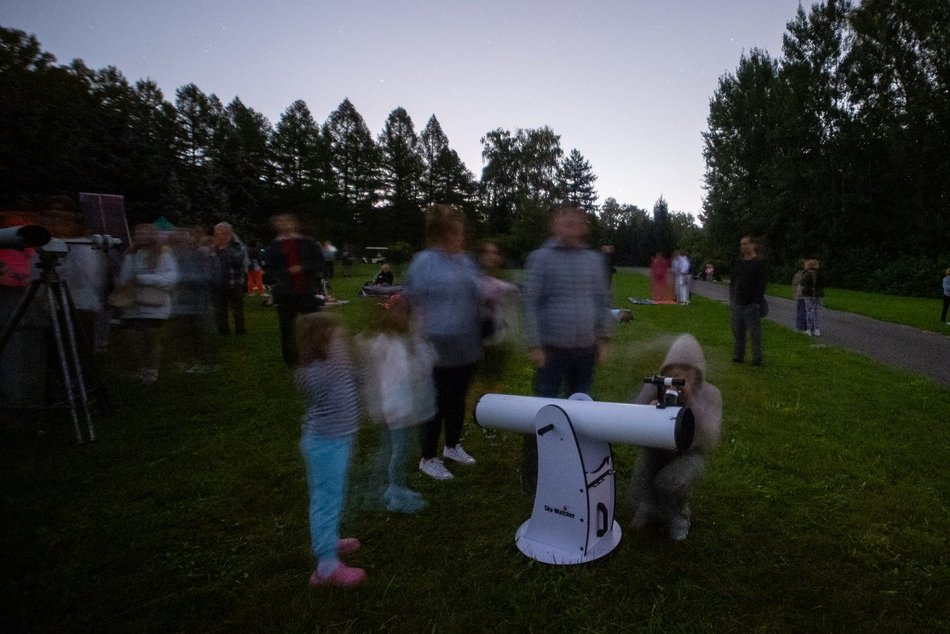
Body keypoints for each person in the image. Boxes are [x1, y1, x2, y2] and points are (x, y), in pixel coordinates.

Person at [521, 202, 613, 494]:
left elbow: (602, 300)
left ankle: (577, 471)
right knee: (544, 412)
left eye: (578, 221)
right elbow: (530, 303)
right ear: (556, 224)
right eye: (567, 220)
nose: (573, 225)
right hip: (552, 350)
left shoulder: (593, 260)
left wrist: (603, 338)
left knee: (581, 410)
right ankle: (533, 476)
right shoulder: (541, 258)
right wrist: (535, 343)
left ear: (584, 225)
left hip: (585, 350)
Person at [405, 204, 482, 481]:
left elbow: (476, 292)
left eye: (460, 234)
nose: (458, 240)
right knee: (434, 403)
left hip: (465, 344)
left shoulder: (465, 261)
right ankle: (428, 457)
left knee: (456, 400)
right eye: (452, 234)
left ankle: (452, 446)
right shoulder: (424, 262)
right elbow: (414, 303)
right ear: (439, 235)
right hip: (435, 344)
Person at [294, 312, 365, 588]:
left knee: (332, 496)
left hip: (338, 438)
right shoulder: (318, 370)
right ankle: (326, 567)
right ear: (322, 341)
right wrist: (349, 356)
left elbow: (358, 380)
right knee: (325, 500)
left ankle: (328, 540)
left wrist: (356, 359)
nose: (343, 340)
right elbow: (312, 382)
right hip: (325, 443)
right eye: (338, 337)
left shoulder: (338, 363)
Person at [629, 334, 722, 541]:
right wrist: (648, 408)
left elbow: (711, 435)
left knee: (669, 483)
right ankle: (648, 508)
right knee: (642, 480)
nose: (678, 373)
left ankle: (678, 516)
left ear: (698, 372)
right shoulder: (655, 386)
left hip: (690, 453)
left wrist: (691, 401)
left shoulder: (711, 394)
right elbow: (632, 417)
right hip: (657, 448)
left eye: (687, 369)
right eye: (673, 368)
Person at [360, 294, 435, 513]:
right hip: (395, 409)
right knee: (396, 452)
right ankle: (393, 492)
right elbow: (380, 379)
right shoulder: (383, 344)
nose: (404, 317)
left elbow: (425, 365)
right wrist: (385, 408)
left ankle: (395, 487)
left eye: (406, 313)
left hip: (407, 408)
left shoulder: (408, 341)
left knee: (398, 450)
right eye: (399, 312)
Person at [115, 223, 178, 384]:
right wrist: (122, 285)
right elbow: (124, 276)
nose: (140, 236)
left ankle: (152, 370)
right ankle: (141, 367)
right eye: (137, 233)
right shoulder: (131, 254)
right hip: (132, 302)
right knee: (130, 338)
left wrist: (144, 279)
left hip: (153, 303)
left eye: (144, 233)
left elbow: (171, 278)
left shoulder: (163, 254)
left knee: (151, 337)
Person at [264, 214, 325, 366]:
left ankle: (317, 355)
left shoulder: (307, 243)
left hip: (306, 291)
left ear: (295, 223)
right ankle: (291, 360)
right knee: (287, 328)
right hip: (285, 293)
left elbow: (319, 262)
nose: (285, 225)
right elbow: (270, 270)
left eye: (288, 221)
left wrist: (302, 268)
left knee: (314, 324)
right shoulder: (273, 247)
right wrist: (284, 273)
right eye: (281, 222)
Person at [476, 240, 520, 438]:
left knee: (493, 382)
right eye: (487, 252)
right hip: (476, 339)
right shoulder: (473, 279)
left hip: (498, 339)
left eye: (495, 253)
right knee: (475, 383)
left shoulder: (504, 281)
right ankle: (472, 419)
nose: (491, 257)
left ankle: (490, 422)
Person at [167, 228, 214, 373]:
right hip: (179, 303)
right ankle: (187, 360)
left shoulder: (198, 255)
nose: (182, 241)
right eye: (179, 238)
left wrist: (179, 279)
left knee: (197, 333)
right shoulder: (170, 255)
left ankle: (201, 361)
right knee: (182, 334)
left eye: (184, 238)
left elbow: (206, 276)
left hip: (196, 301)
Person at [729, 235, 768, 366]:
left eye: (745, 244)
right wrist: (732, 298)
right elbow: (733, 281)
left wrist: (756, 302)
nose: (742, 247)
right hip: (737, 303)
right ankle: (738, 355)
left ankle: (757, 358)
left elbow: (762, 284)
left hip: (751, 304)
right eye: (741, 244)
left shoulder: (759, 263)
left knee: (754, 333)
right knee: (738, 332)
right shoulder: (739, 263)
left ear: (753, 245)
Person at [210, 222, 247, 335]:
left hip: (234, 283)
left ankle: (240, 331)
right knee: (219, 310)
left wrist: (224, 249)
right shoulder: (212, 248)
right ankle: (223, 331)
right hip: (217, 284)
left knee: (237, 309)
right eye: (218, 233)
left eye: (224, 233)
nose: (221, 236)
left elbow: (237, 261)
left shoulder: (238, 247)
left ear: (230, 234)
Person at [801, 258, 824, 336]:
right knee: (817, 312)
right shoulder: (820, 273)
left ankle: (809, 329)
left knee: (809, 311)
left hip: (808, 294)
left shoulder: (806, 273)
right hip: (819, 294)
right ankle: (817, 330)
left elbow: (802, 283)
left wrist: (803, 291)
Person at [791, 260, 807, 333]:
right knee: (802, 311)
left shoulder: (799, 274)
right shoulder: (802, 275)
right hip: (802, 296)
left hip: (802, 295)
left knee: (803, 311)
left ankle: (803, 326)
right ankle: (800, 326)